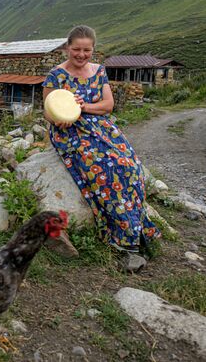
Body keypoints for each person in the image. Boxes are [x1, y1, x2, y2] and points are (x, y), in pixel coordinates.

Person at [42, 25, 160, 260]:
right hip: (71, 131)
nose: (81, 55)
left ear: (93, 49)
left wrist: (84, 107)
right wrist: (60, 119)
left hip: (103, 128)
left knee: (130, 165)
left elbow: (108, 105)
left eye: (87, 50)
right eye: (76, 49)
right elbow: (47, 111)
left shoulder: (99, 71)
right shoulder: (55, 75)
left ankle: (136, 228)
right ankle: (121, 236)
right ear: (68, 48)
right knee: (105, 168)